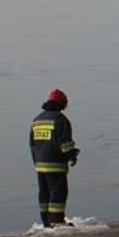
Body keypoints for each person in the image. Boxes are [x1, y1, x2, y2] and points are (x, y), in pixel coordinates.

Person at [29, 88, 79, 227]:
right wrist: (72, 154)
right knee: (58, 193)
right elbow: (65, 144)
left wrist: (36, 162)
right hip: (55, 165)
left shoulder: (37, 120)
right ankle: (57, 221)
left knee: (44, 194)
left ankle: (46, 222)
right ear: (61, 104)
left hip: (40, 165)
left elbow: (32, 145)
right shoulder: (60, 119)